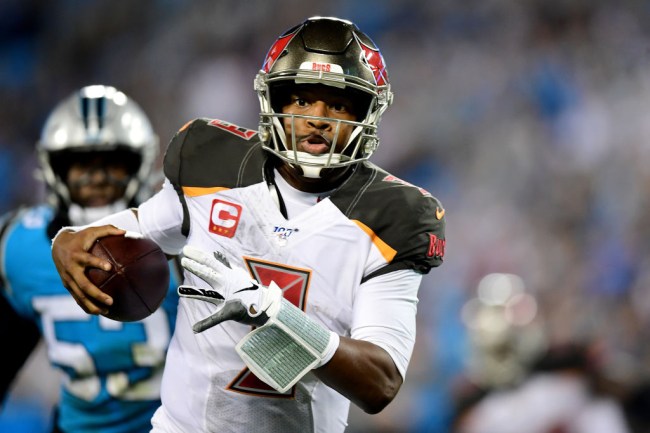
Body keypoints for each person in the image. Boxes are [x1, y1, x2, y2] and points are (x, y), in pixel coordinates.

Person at [51, 17, 446, 433]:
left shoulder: (396, 215)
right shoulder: (213, 162)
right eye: (301, 100)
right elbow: (134, 231)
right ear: (274, 101)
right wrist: (67, 241)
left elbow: (380, 382)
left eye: (338, 104)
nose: (317, 118)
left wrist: (269, 310)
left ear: (368, 112)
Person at [0, 85, 181, 433]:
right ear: (55, 170)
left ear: (140, 165)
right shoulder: (19, 247)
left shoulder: (179, 235)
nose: (97, 178)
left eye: (113, 162)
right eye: (81, 163)